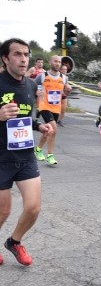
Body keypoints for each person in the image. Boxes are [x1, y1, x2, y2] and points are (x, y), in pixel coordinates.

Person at [0, 38, 53, 266]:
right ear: (5, 58)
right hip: (1, 158)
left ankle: (14, 241)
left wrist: (39, 125)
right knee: (3, 211)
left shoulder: (31, 85)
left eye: (26, 54)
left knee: (33, 208)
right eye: (17, 54)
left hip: (25, 155)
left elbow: (24, 118)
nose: (23, 59)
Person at [34, 55, 67, 166]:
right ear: (50, 62)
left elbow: (63, 95)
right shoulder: (42, 76)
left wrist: (68, 91)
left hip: (56, 108)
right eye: (55, 61)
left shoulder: (64, 77)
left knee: (48, 130)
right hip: (44, 106)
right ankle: (50, 155)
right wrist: (36, 95)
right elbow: (32, 87)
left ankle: (38, 149)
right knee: (54, 129)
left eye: (59, 62)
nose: (57, 63)